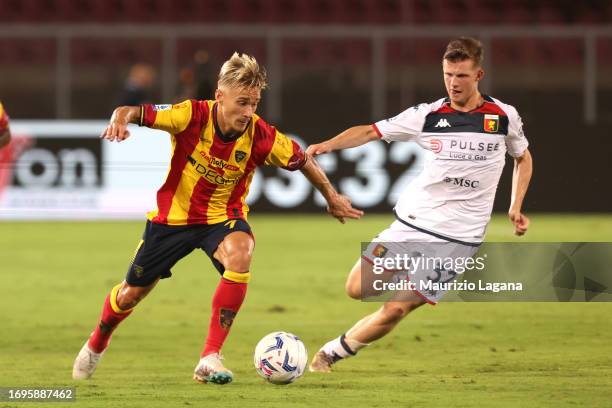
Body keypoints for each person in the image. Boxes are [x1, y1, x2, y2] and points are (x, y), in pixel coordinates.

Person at [72, 52, 363, 384]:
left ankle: (209, 357)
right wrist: (120, 118)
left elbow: (303, 160)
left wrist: (332, 197)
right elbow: (131, 111)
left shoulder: (261, 135)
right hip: (172, 221)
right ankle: (97, 343)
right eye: (242, 103)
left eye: (254, 103)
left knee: (241, 253)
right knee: (130, 294)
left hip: (222, 219)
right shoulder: (189, 115)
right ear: (219, 97)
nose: (248, 111)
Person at [307, 37, 533, 372]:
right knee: (356, 288)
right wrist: (326, 145)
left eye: (461, 76)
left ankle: (331, 354)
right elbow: (370, 132)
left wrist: (515, 206)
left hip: (459, 240)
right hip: (413, 223)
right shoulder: (426, 116)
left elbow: (523, 158)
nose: (453, 83)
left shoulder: (503, 117)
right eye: (448, 75)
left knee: (397, 309)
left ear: (478, 75)